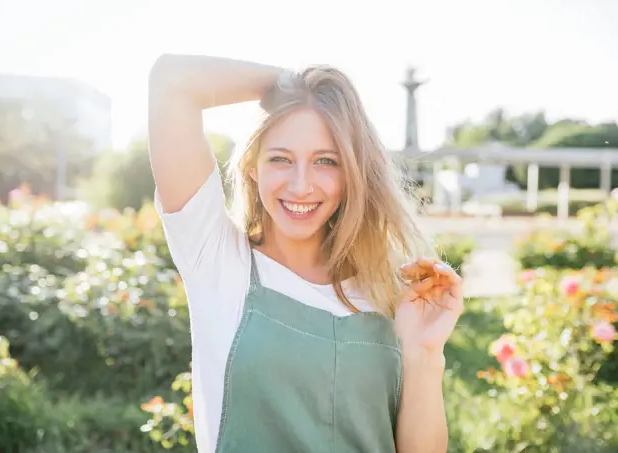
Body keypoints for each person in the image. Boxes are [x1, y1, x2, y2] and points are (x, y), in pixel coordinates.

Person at [148, 54, 464, 453]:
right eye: (280, 159)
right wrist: (295, 86)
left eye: (325, 162)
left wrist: (423, 353)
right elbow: (172, 79)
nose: (301, 186)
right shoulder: (215, 260)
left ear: (351, 175)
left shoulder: (389, 291)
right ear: (252, 168)